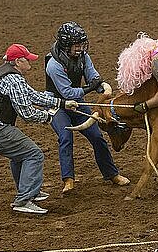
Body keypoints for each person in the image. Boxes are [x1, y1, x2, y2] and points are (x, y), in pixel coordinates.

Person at [0, 43, 78, 214]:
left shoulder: (0, 72)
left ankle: (28, 190)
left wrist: (62, 103)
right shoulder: (14, 79)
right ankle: (24, 199)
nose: (30, 63)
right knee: (33, 154)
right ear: (18, 61)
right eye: (27, 59)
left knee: (19, 154)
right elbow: (26, 113)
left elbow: (31, 94)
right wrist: (49, 116)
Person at [45, 21, 130, 194]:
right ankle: (68, 180)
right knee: (65, 137)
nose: (81, 48)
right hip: (58, 105)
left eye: (82, 44)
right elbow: (67, 92)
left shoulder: (83, 57)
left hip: (77, 103)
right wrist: (92, 87)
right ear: (66, 45)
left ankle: (111, 174)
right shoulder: (53, 65)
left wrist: (101, 86)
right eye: (77, 45)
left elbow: (93, 77)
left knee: (97, 137)